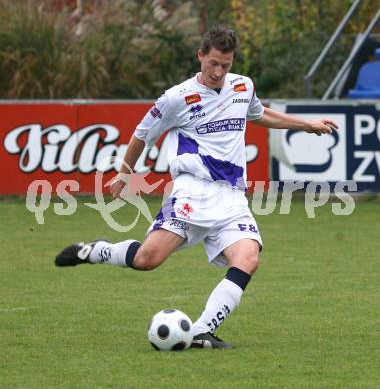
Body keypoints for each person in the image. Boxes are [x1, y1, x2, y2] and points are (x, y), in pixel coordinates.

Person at [55, 25, 338, 349]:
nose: (218, 72)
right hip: (192, 191)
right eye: (213, 63)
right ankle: (96, 251)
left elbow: (259, 114)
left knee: (248, 258)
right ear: (201, 56)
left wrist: (308, 125)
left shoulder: (242, 87)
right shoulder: (177, 98)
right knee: (148, 259)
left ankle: (202, 329)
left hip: (231, 196)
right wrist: (124, 174)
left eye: (226, 65)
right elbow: (142, 134)